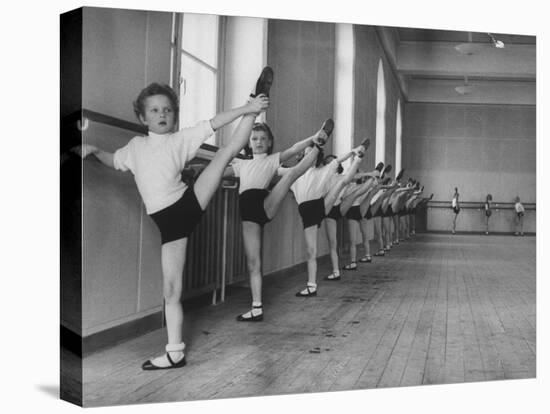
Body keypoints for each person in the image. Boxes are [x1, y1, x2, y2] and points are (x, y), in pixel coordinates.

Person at [74, 69, 271, 370]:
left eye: (167, 109)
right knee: (171, 290)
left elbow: (216, 122)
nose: (162, 114)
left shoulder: (182, 139)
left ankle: (253, 100)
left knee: (227, 152)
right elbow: (113, 161)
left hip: (187, 203)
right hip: (169, 226)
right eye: (154, 110)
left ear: (174, 115)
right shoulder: (135, 149)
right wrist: (93, 150)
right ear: (143, 118)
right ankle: (175, 352)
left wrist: (249, 108)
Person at [230, 121, 333, 322]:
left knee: (292, 174)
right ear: (249, 143)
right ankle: (256, 308)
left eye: (263, 139)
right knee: (253, 263)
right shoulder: (241, 164)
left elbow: (294, 149)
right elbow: (217, 173)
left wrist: (313, 138)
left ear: (269, 143)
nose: (258, 142)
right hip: (249, 214)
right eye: (254, 139)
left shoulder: (272, 160)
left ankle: (319, 145)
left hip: (266, 204)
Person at [288, 134, 368, 296]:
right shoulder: (293, 172)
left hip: (319, 206)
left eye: (313, 154)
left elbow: (338, 161)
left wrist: (354, 153)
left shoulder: (322, 170)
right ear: (302, 156)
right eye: (307, 154)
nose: (310, 157)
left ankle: (311, 286)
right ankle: (312, 285)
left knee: (341, 183)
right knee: (311, 250)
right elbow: (275, 170)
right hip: (308, 212)